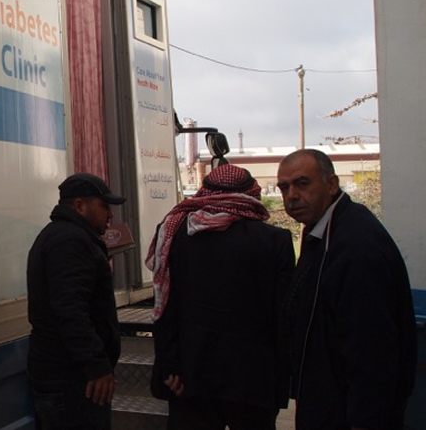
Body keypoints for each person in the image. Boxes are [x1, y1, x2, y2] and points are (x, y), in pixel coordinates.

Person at [145, 164, 295, 430]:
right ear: (252, 193)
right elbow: (283, 317)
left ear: (205, 192)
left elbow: (164, 305)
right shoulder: (275, 240)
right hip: (253, 379)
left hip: (191, 375)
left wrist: (169, 365)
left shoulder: (175, 235)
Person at [277, 149, 416, 430]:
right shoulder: (322, 233)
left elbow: (372, 350)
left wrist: (365, 420)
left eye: (302, 183)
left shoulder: (355, 246)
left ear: (331, 185)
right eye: (284, 187)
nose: (292, 195)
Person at [27, 173, 126, 430]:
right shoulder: (70, 241)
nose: (110, 215)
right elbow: (71, 311)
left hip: (65, 375)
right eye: (104, 206)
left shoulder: (65, 236)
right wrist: (96, 366)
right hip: (71, 380)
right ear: (80, 206)